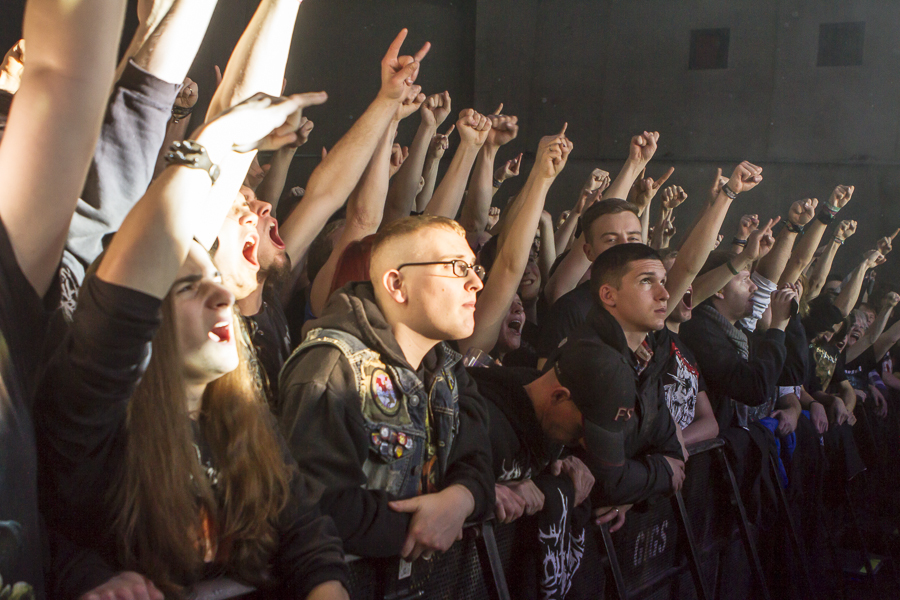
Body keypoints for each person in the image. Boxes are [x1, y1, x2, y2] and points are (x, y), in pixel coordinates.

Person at [37, 92, 350, 598]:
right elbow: (59, 544)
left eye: (214, 278)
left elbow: (305, 535)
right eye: (187, 286)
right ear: (141, 318)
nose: (224, 292)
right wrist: (210, 142)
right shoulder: (95, 424)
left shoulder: (244, 418)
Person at [278, 215, 494, 561]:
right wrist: (421, 527)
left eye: (474, 269)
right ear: (397, 285)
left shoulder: (449, 369)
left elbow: (479, 458)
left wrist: (461, 499)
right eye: (456, 267)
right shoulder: (334, 366)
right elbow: (314, 506)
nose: (475, 283)